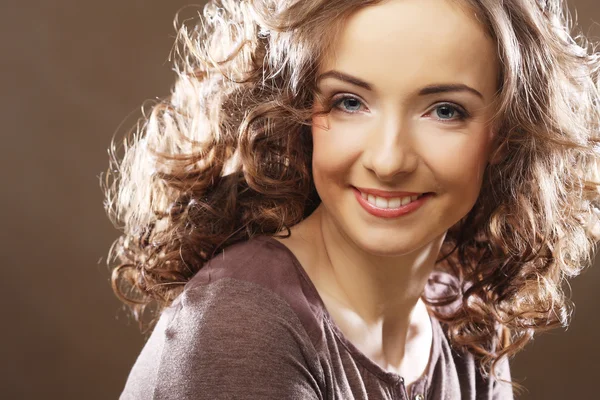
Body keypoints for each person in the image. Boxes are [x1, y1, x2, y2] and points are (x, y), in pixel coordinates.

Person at [102, 0, 600, 398]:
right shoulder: (242, 329)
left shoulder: (464, 321)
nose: (388, 160)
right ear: (298, 111)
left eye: (444, 110)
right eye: (350, 102)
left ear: (505, 137)